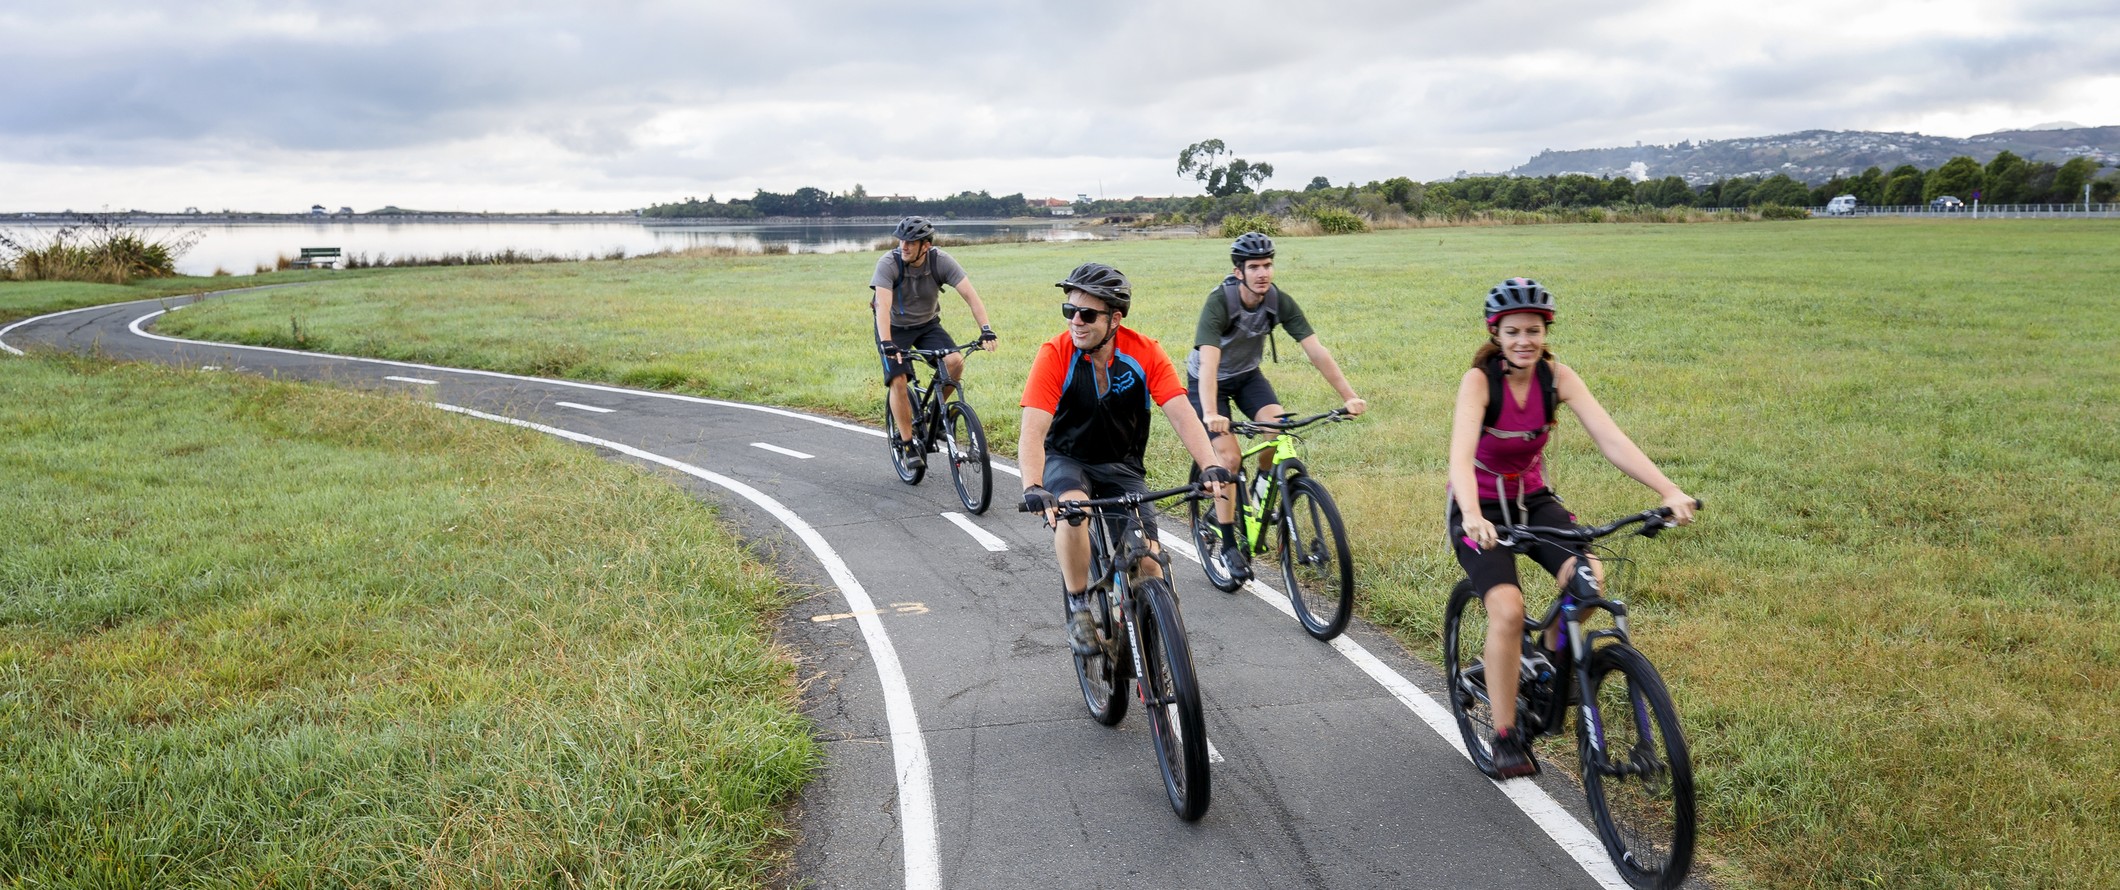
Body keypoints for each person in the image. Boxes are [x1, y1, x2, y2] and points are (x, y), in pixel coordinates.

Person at [1447, 277, 1696, 779]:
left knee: (1588, 582)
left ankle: (1539, 662)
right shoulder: (1480, 381)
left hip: (1534, 500)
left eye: (1533, 330)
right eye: (1513, 331)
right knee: (1509, 610)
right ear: (1496, 333)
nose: (1524, 340)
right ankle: (1505, 734)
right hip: (1481, 507)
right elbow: (1459, 455)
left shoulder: (1558, 378)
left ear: (1546, 331)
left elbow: (1613, 441)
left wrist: (1667, 490)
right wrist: (1473, 516)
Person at [1020, 262, 1231, 653]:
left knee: (1149, 564)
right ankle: (1079, 604)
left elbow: (1181, 412)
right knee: (1073, 511)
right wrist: (1033, 484)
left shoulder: (1144, 352)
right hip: (1068, 460)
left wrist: (1210, 464)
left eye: (1087, 314)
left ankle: (1154, 641)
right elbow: (1033, 430)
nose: (1076, 322)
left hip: (1122, 465)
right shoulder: (1055, 354)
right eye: (1070, 311)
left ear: (1115, 319)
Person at [1188, 231, 1366, 582]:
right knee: (1228, 459)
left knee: (1277, 425)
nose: (1262, 273)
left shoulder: (1277, 301)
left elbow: (1315, 350)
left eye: (1267, 265)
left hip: (1247, 376)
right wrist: (1211, 413)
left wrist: (1349, 395)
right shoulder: (1220, 303)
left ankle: (1262, 490)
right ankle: (1227, 543)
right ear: (1239, 271)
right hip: (1207, 383)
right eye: (1254, 266)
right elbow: (1208, 365)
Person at [872, 215, 996, 470]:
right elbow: (882, 306)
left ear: (925, 245)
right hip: (894, 329)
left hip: (928, 324)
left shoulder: (940, 261)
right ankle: (907, 444)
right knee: (898, 379)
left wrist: (986, 330)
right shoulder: (888, 263)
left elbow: (971, 296)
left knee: (955, 362)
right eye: (901, 240)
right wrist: (887, 342)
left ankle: (934, 417)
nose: (903, 246)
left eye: (910, 242)